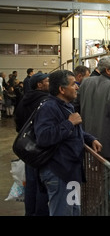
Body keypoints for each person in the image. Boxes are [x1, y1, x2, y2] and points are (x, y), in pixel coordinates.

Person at [34, 70, 102, 216]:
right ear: (62, 89)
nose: (77, 87)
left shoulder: (67, 106)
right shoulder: (49, 107)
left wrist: (90, 139)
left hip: (70, 171)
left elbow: (75, 132)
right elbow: (44, 137)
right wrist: (69, 123)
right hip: (58, 172)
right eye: (73, 84)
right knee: (62, 212)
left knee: (73, 211)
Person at [78, 56, 110, 181]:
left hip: (89, 143)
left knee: (94, 182)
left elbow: (77, 107)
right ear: (108, 70)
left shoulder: (85, 83)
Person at [14, 72, 50, 216]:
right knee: (41, 186)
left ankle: (30, 212)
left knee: (31, 184)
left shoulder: (24, 99)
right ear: (39, 84)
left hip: (28, 149)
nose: (50, 83)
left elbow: (18, 123)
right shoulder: (46, 101)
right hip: (41, 149)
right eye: (47, 81)